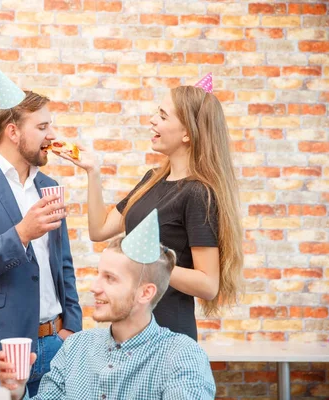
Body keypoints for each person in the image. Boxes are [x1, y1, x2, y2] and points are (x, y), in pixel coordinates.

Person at [58, 74, 243, 341]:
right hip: (129, 330)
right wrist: (93, 171)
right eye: (157, 113)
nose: (153, 120)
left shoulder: (198, 193)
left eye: (164, 116)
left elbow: (208, 284)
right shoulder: (151, 180)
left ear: (187, 133)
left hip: (168, 334)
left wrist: (149, 262)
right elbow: (99, 230)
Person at [0, 66, 82, 395]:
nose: (52, 136)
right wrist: (21, 233)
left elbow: (64, 264)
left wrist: (72, 328)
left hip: (57, 345)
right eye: (42, 127)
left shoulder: (49, 186)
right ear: (13, 132)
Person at [0, 210, 216, 400]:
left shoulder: (181, 355)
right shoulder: (75, 347)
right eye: (98, 274)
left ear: (145, 293)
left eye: (110, 278)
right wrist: (18, 391)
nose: (94, 287)